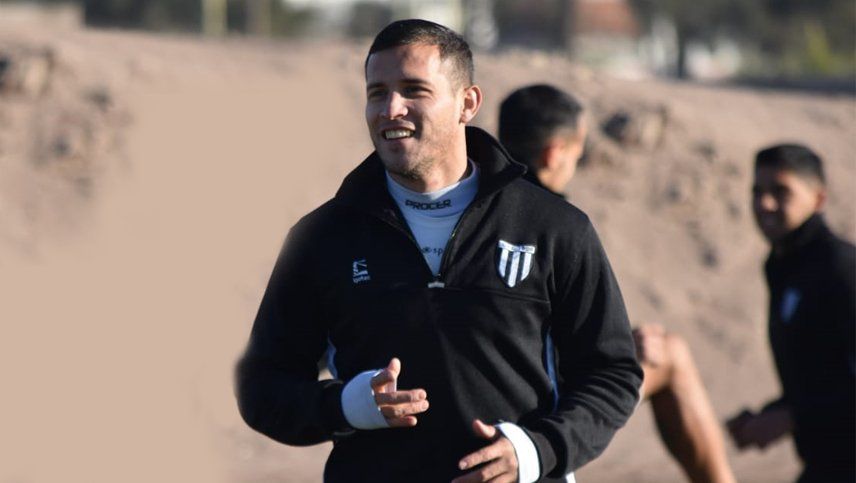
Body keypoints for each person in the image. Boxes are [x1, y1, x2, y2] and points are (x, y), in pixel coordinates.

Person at [235, 20, 642, 483]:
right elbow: (262, 389)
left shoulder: (553, 226)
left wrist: (536, 451)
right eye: (377, 93)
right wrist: (345, 405)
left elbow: (612, 375)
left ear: (467, 103)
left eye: (414, 90)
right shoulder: (321, 238)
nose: (391, 109)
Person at [499, 84, 737, 483]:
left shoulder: (477, 210)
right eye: (579, 150)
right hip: (546, 415)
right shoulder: (555, 223)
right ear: (554, 154)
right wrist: (622, 350)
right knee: (669, 353)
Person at [726, 144, 855, 483]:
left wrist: (793, 417)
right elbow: (826, 375)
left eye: (781, 191)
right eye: (757, 191)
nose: (765, 203)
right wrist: (771, 416)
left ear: (819, 198)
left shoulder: (840, 268)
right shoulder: (784, 267)